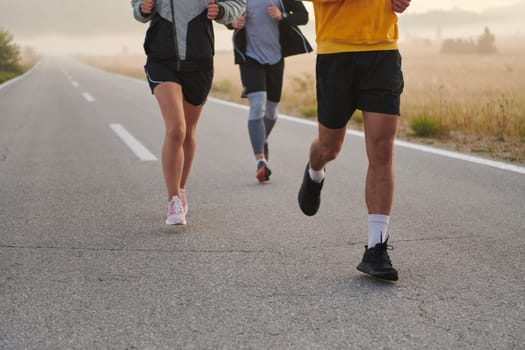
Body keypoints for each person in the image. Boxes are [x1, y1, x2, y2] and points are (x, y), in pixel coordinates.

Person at [297, 0, 412, 281]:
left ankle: (376, 248)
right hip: (336, 54)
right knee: (329, 148)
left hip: (382, 52)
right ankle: (314, 171)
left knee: (382, 150)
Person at [131, 0, 245, 225]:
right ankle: (173, 199)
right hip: (161, 60)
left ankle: (181, 189)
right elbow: (138, 6)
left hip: (199, 62)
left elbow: (237, 5)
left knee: (189, 132)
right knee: (176, 128)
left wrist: (221, 11)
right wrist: (142, 9)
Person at [228, 0, 312, 183]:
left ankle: (263, 136)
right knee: (258, 105)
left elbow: (304, 16)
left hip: (275, 59)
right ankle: (261, 160)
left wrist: (283, 16)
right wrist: (233, 23)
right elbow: (226, 12)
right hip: (250, 59)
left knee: (272, 112)